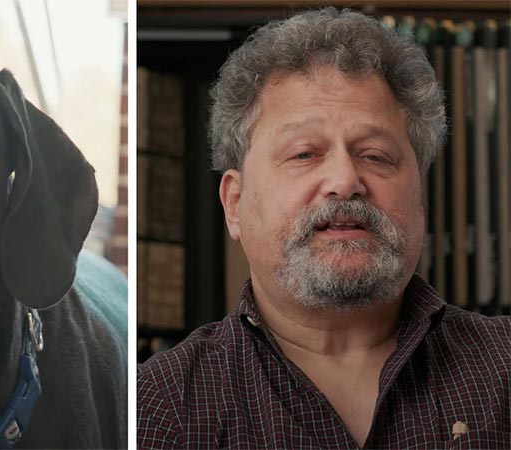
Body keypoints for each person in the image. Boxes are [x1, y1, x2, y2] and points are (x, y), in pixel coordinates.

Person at [137, 8, 510, 449]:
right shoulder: (158, 409)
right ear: (234, 204)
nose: (345, 181)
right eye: (304, 153)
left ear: (420, 197)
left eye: (375, 155)